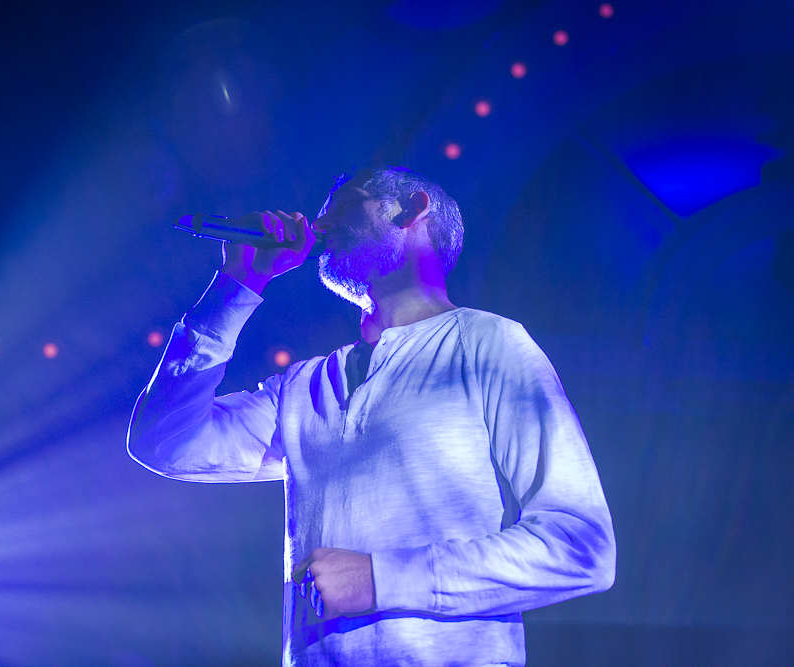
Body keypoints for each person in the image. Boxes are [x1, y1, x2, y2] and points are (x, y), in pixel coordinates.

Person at [128, 166, 615, 666]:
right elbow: (163, 443)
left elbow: (581, 546)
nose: (318, 226)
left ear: (413, 209)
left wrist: (383, 578)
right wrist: (237, 283)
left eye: (342, 207)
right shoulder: (303, 387)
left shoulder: (488, 343)